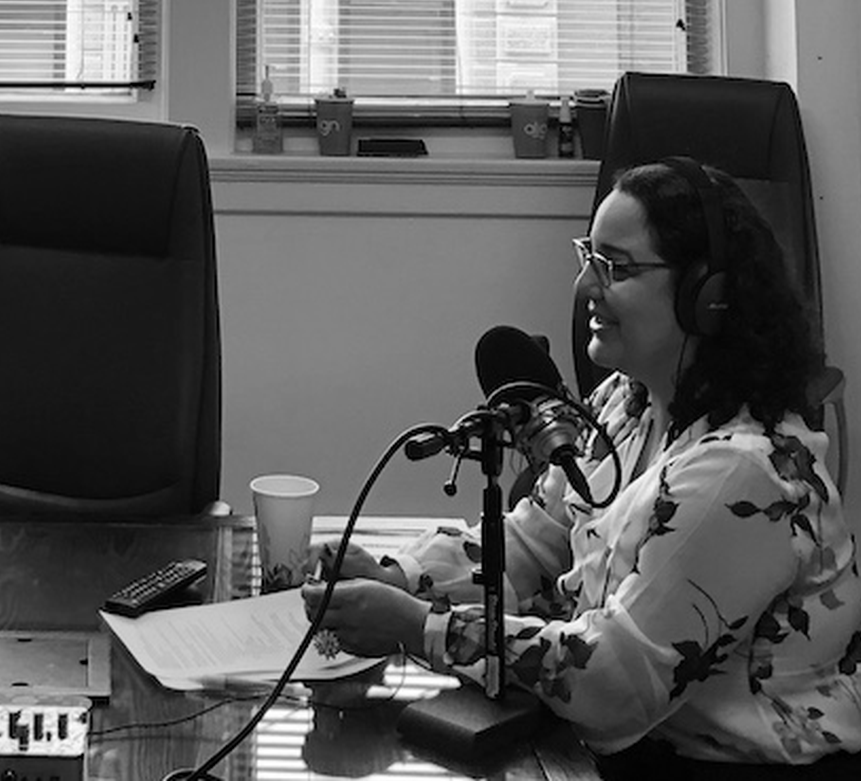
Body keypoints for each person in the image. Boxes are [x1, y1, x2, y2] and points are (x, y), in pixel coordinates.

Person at [304, 159, 861, 776]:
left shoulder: (743, 474)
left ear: (707, 295)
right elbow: (534, 543)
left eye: (616, 268)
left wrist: (419, 628)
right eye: (588, 258)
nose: (584, 287)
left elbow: (609, 687)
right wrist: (399, 578)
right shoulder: (630, 401)